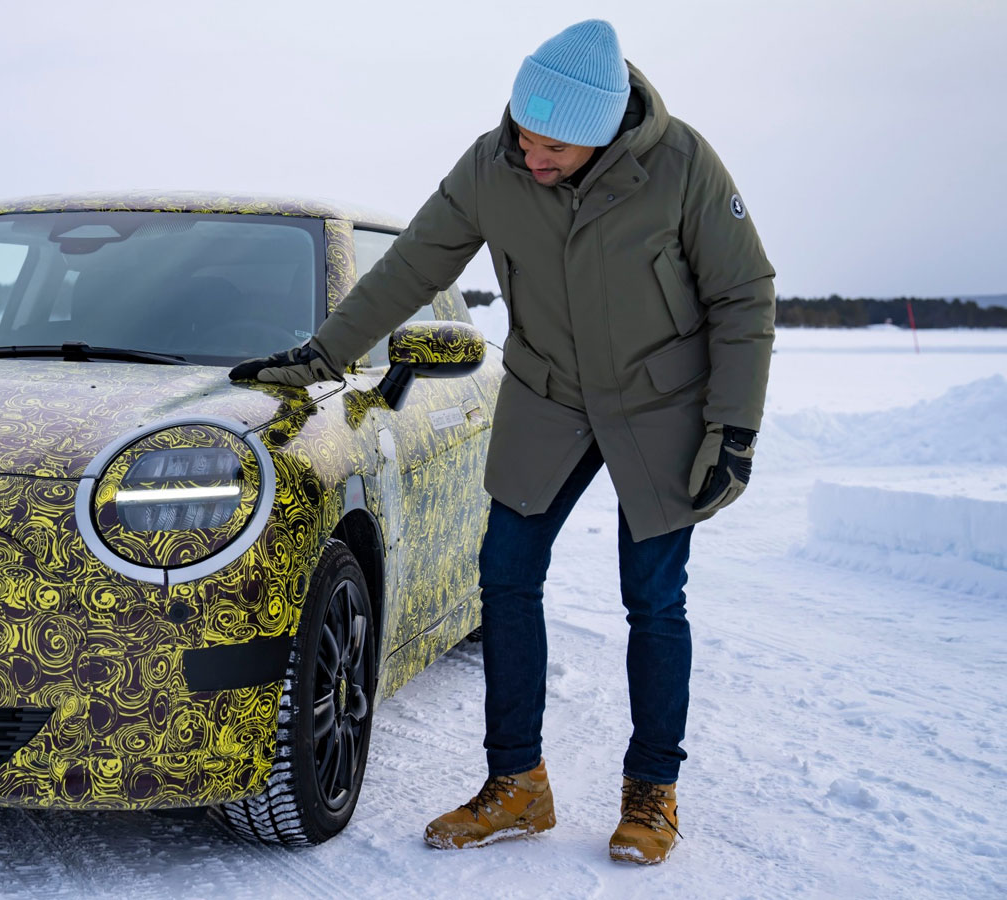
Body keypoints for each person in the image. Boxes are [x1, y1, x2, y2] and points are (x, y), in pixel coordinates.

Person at [228, 19, 774, 864]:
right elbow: (414, 264)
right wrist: (323, 354)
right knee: (507, 576)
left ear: (602, 136)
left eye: (552, 147)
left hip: (662, 403)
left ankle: (651, 792)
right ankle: (517, 783)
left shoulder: (682, 165)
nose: (531, 156)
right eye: (523, 133)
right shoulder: (494, 163)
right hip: (550, 394)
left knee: (654, 598)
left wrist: (732, 429)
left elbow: (744, 295)